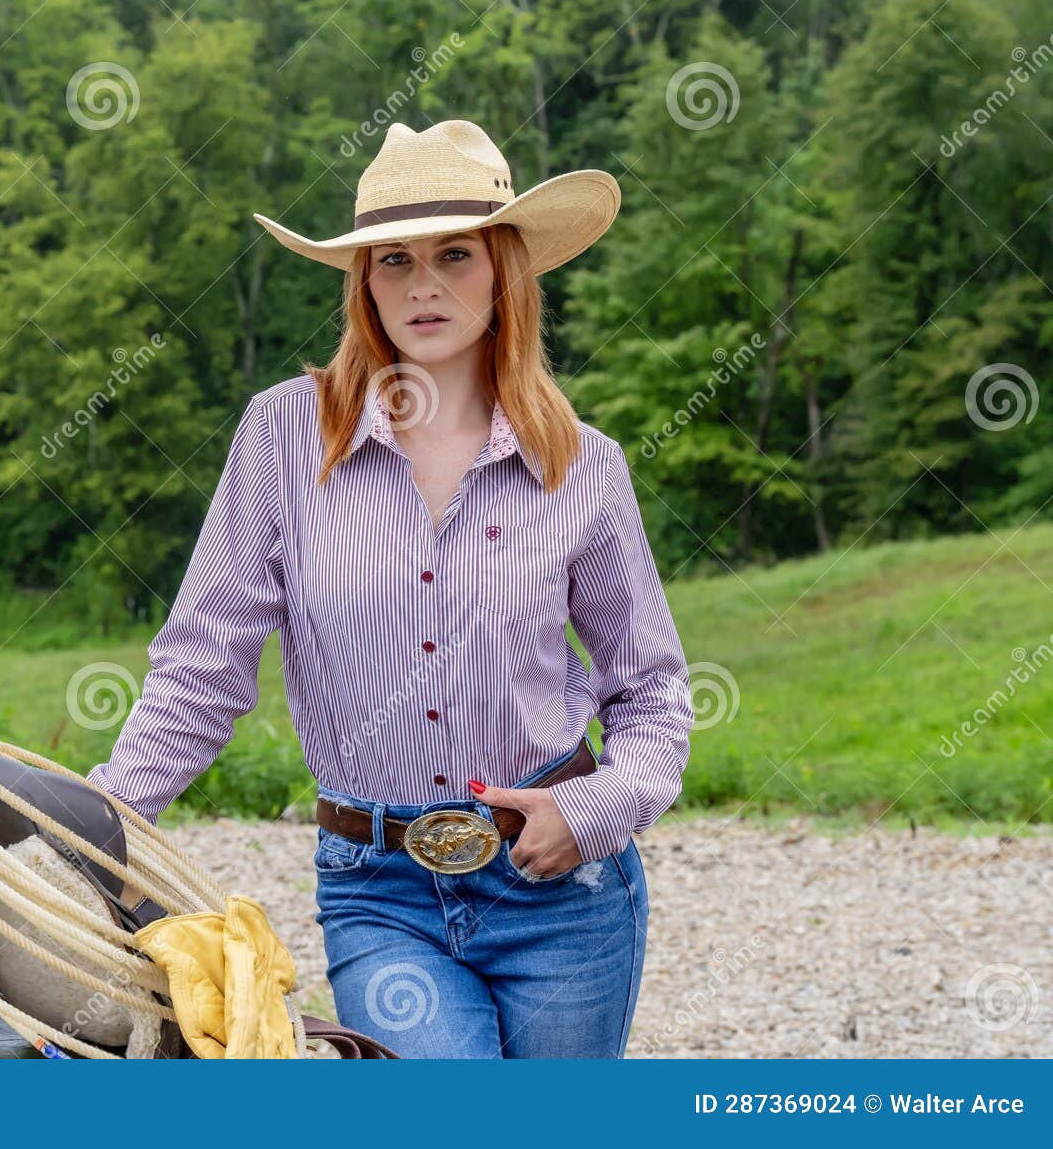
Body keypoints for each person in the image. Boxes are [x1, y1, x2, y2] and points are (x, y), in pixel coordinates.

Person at [85, 119, 694, 1058]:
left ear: (504, 270)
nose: (424, 284)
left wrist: (600, 807)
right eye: (393, 259)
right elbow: (202, 665)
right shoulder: (284, 438)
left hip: (563, 890)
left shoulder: (584, 465)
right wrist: (99, 824)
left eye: (456, 253)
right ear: (362, 280)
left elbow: (650, 688)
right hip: (379, 886)